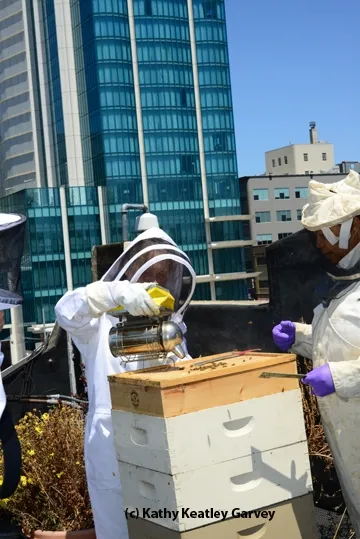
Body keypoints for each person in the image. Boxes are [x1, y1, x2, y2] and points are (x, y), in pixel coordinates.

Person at [55, 226, 196, 539]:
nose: (157, 283)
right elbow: (65, 311)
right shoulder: (99, 323)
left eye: (165, 275)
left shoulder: (172, 326)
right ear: (132, 270)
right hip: (111, 447)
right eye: (151, 274)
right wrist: (116, 294)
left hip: (160, 445)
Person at [271, 170, 360, 537]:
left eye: (326, 229)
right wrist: (301, 338)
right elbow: (345, 338)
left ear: (354, 228)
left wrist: (340, 377)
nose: (318, 242)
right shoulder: (343, 278)